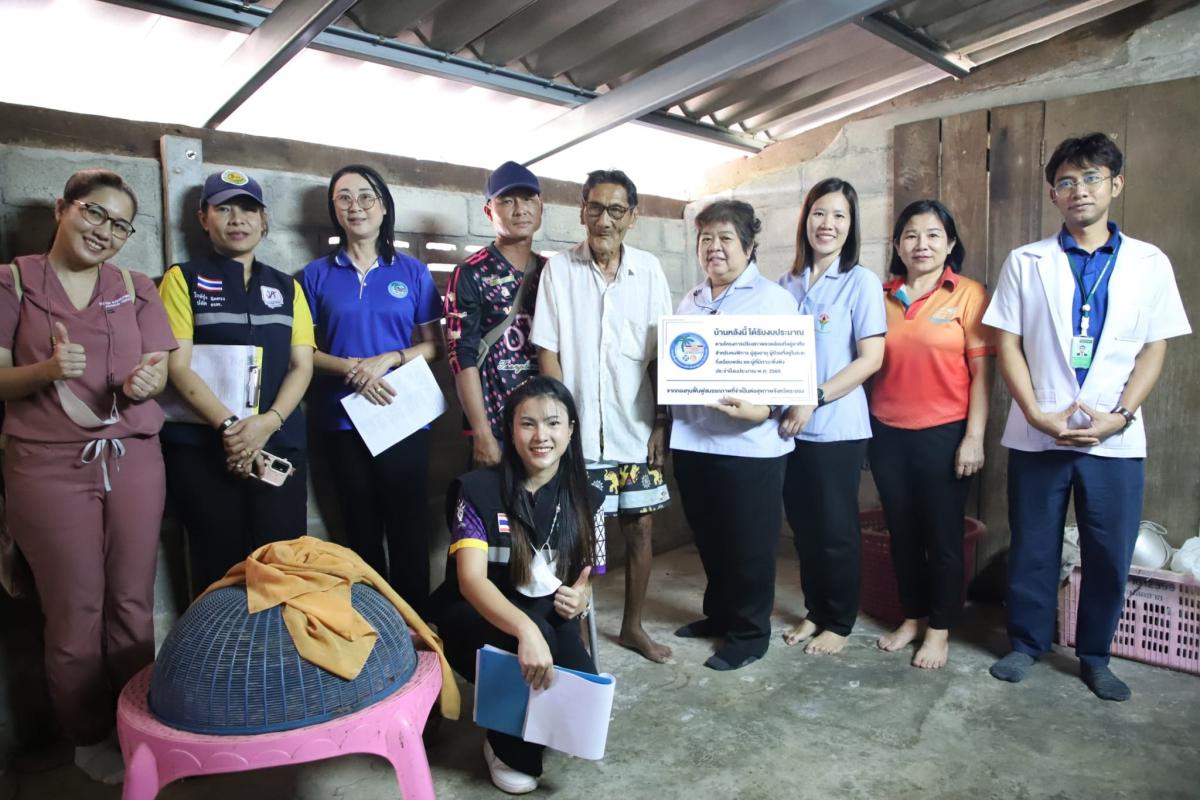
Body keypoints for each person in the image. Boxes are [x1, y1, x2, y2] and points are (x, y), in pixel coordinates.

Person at [983, 133, 1190, 701]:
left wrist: (1121, 415)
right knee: (1033, 547)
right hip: (1039, 432)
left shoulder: (1149, 262)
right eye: (1066, 182)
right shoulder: (1027, 261)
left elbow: (1154, 348)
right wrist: (1036, 414)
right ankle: (1027, 644)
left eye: (1092, 177)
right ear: (1053, 194)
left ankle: (1096, 655)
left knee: (1108, 551)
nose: (1079, 190)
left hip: (1114, 438)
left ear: (1116, 184)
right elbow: (1006, 343)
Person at [0, 169, 176, 784]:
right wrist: (45, 371)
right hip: (47, 468)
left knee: (132, 604)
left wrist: (147, 382)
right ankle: (88, 736)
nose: (105, 231)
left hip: (134, 460)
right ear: (62, 209)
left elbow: (159, 364)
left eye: (120, 225)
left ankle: (139, 724)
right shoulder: (13, 281)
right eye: (94, 213)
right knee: (74, 611)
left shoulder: (135, 287)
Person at [430, 376, 605, 794]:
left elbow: (588, 576)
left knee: (581, 696)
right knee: (535, 640)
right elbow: (471, 581)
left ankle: (525, 717)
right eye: (528, 423)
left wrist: (580, 598)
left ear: (571, 430)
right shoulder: (477, 491)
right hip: (475, 612)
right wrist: (526, 630)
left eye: (553, 423)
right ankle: (504, 748)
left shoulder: (589, 496)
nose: (541, 436)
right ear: (510, 430)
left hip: (547, 611)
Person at [531, 169, 673, 663]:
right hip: (582, 432)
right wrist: (559, 425)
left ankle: (633, 627)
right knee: (579, 536)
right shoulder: (559, 271)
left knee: (640, 529)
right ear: (582, 212)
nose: (604, 220)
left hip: (636, 428)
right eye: (595, 208)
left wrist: (662, 422)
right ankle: (576, 632)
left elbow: (663, 355)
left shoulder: (649, 271)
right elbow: (548, 351)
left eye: (615, 210)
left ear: (633, 216)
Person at [159, 169, 315, 596]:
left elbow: (302, 365)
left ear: (263, 220)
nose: (237, 219)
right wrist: (232, 430)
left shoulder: (288, 288)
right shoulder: (182, 279)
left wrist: (268, 422)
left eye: (248, 209)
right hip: (204, 450)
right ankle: (222, 644)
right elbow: (177, 366)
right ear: (203, 218)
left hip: (277, 446)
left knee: (283, 567)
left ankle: (279, 643)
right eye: (223, 208)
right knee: (217, 570)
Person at [300, 164, 444, 610]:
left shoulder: (413, 272)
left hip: (402, 417)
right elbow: (302, 351)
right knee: (359, 530)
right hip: (342, 420)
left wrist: (391, 358)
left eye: (366, 196)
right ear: (334, 210)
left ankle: (417, 627)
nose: (356, 206)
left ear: (383, 206)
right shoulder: (315, 275)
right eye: (344, 198)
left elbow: (434, 346)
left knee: (408, 529)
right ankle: (374, 624)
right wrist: (350, 368)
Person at [669, 200, 799, 671]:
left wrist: (764, 409)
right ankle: (721, 614)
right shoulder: (691, 300)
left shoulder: (773, 300)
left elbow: (795, 373)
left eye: (725, 238)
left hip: (750, 446)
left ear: (748, 246)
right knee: (710, 537)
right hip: (693, 440)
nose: (714, 248)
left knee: (749, 545)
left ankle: (750, 634)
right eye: (706, 239)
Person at [869, 199, 994, 669]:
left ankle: (939, 629)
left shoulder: (968, 294)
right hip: (886, 434)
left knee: (942, 538)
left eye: (933, 235)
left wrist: (974, 437)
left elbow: (982, 377)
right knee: (902, 534)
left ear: (950, 243)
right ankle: (912, 617)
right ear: (897, 245)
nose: (921, 244)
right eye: (911, 235)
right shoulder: (879, 295)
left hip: (945, 434)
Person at [777, 177, 886, 655]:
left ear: (851, 225)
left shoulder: (860, 282)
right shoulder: (786, 283)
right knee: (803, 528)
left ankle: (839, 621)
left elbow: (871, 359)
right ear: (806, 219)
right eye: (819, 212)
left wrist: (814, 397)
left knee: (836, 530)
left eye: (839, 215)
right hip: (788, 429)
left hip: (836, 427)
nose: (828, 223)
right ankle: (815, 610)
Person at [445, 161, 546, 467]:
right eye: (507, 201)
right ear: (489, 211)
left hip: (545, 424)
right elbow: (461, 354)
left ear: (541, 207)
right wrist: (481, 431)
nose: (520, 209)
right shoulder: (471, 273)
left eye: (528, 199)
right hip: (496, 426)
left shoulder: (552, 272)